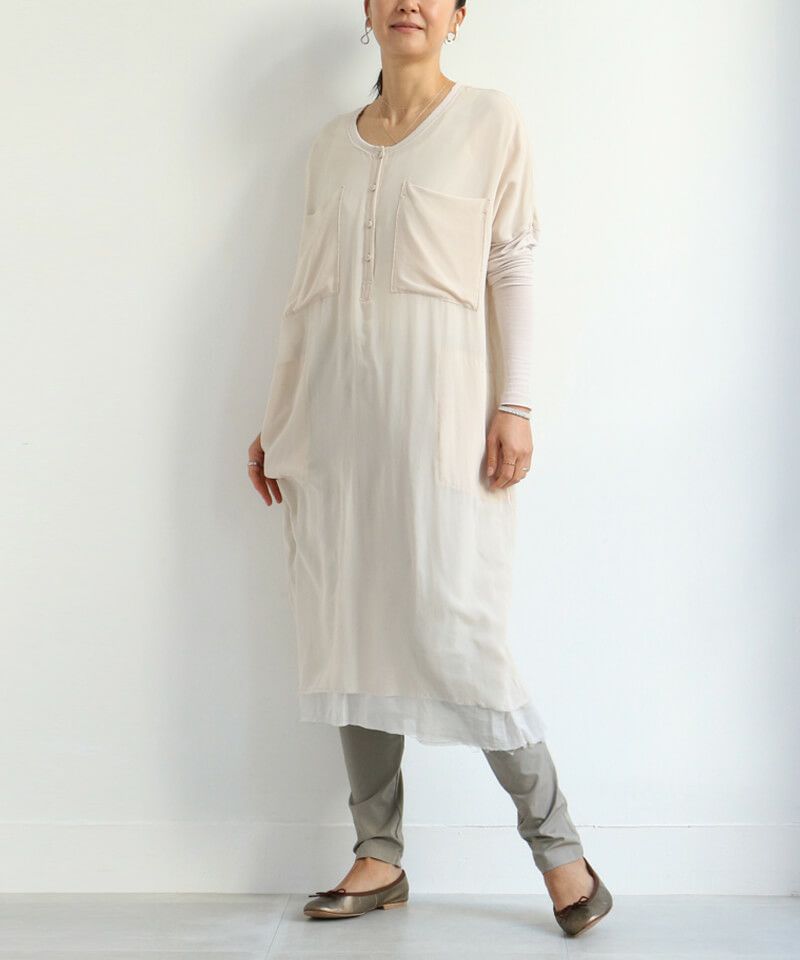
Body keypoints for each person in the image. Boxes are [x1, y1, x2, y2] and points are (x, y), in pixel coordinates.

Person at [247, 1, 612, 937]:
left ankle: (562, 852)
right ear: (368, 13)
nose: (409, 1)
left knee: (459, 628)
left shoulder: (490, 119)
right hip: (334, 422)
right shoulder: (329, 148)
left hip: (441, 421)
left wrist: (515, 404)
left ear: (457, 14)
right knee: (349, 621)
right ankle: (379, 855)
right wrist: (277, 418)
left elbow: (514, 261)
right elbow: (305, 294)